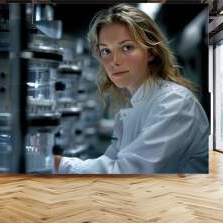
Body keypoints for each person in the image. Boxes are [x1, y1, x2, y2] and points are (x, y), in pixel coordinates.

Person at [54, 3, 209, 174]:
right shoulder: (136, 106)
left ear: (151, 52)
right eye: (106, 51)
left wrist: (60, 165)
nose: (114, 61)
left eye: (127, 47)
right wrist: (59, 163)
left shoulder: (174, 102)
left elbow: (127, 172)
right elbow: (110, 161)